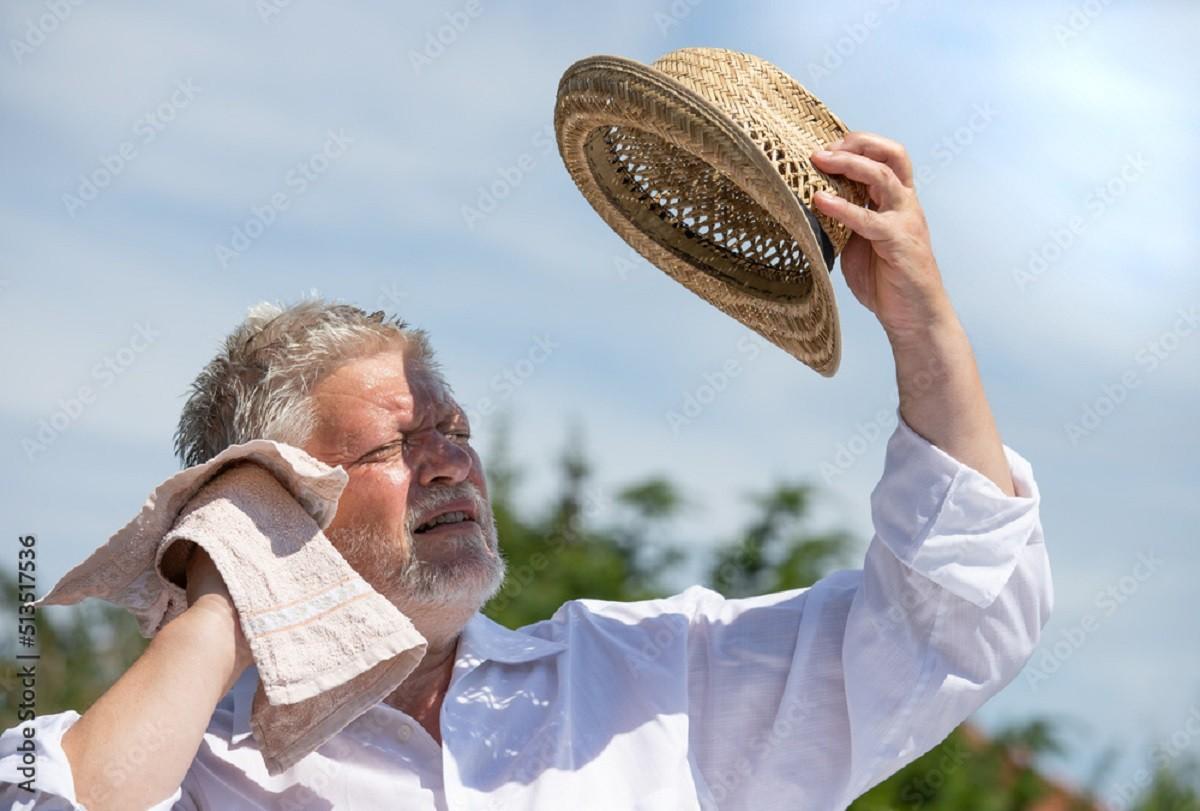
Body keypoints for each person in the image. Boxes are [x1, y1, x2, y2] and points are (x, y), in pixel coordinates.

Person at [0, 132, 1052, 810]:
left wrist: (924, 323)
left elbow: (953, 624)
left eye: (455, 428)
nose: (450, 461)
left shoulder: (654, 679)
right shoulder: (192, 768)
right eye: (396, 444)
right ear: (275, 502)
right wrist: (223, 589)